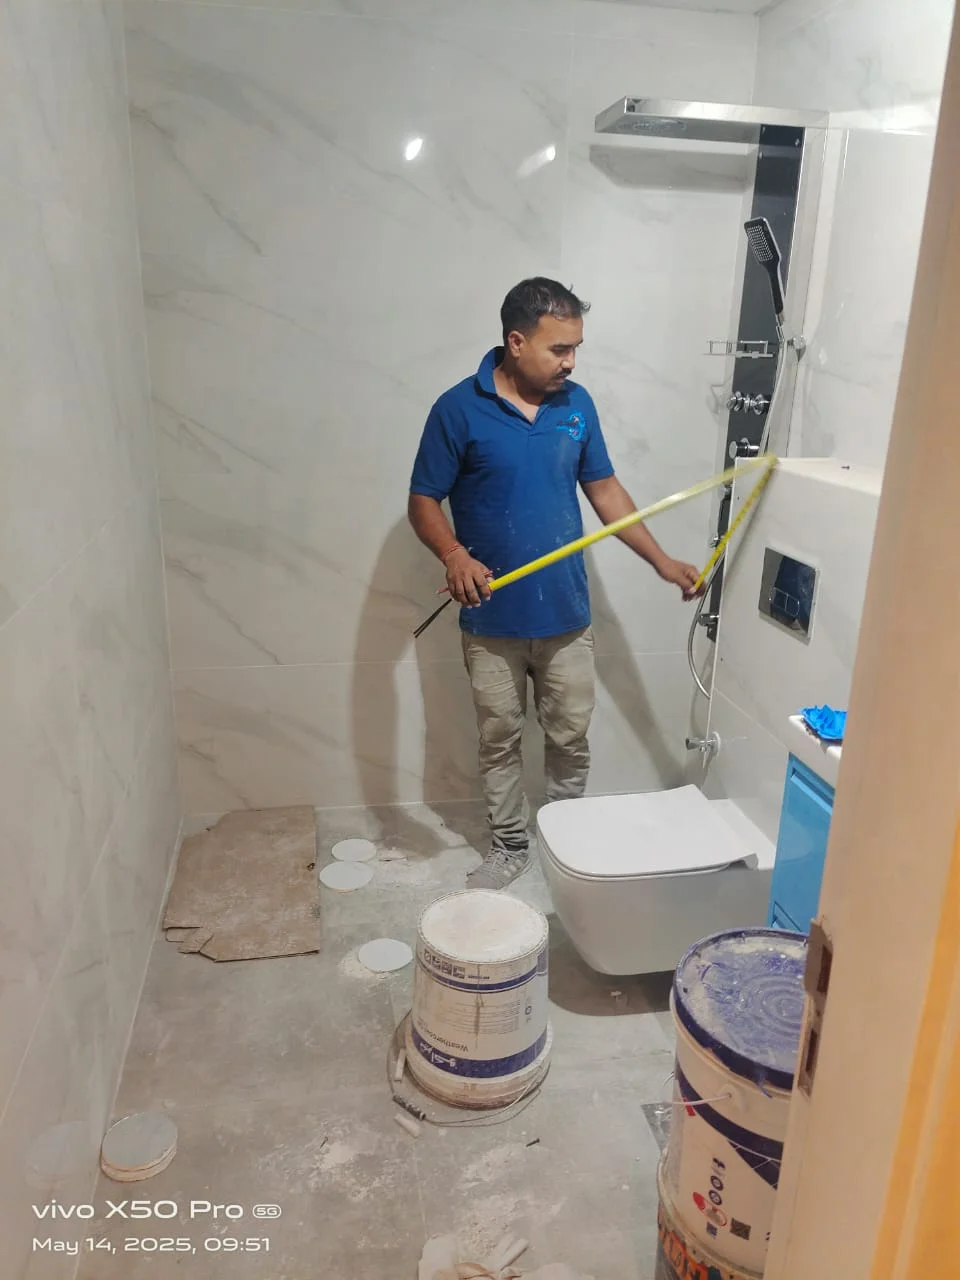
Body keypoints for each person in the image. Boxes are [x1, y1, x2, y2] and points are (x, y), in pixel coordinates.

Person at [408, 278, 703, 890]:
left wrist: (661, 560)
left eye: (576, 348)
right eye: (559, 349)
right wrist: (454, 555)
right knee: (499, 739)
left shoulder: (577, 405)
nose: (571, 362)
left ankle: (566, 838)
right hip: (491, 619)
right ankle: (510, 846)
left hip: (566, 615)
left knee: (570, 736)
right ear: (516, 343)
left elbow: (605, 491)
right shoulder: (457, 409)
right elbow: (423, 500)